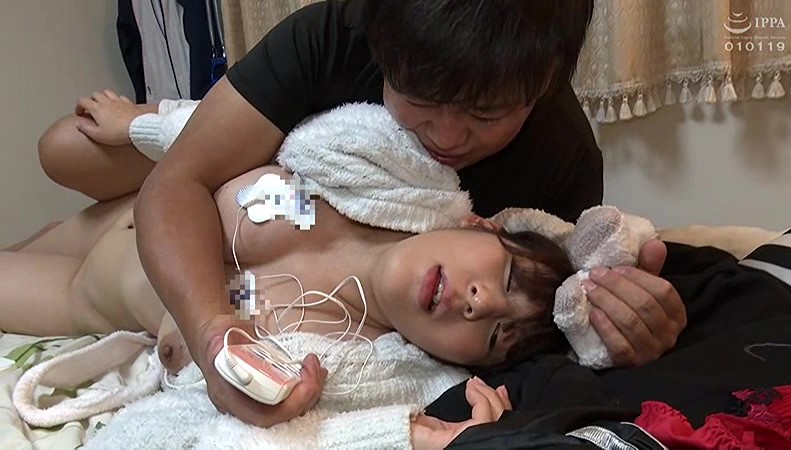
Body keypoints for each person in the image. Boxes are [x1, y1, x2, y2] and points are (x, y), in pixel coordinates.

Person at [35, 0, 686, 427]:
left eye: (485, 114)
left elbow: (544, 322)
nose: (447, 137)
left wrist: (632, 332)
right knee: (64, 147)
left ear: (544, 85)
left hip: (127, 285)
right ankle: (167, 124)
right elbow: (180, 183)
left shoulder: (559, 164)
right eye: (419, 96)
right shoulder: (335, 36)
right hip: (217, 200)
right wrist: (211, 331)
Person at [1, 159, 575, 449]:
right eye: (504, 275)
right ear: (482, 226)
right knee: (59, 151)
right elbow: (213, 138)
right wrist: (145, 120)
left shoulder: (359, 369)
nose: (480, 303)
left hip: (84, 296)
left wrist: (461, 438)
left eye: (495, 335)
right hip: (122, 209)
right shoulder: (375, 173)